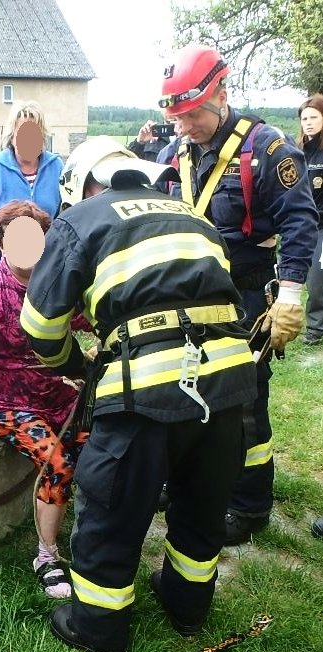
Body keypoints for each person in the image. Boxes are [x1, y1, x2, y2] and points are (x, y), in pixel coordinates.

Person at [20, 135, 258, 652]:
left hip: (144, 390)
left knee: (111, 506)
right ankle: (186, 604)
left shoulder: (80, 219)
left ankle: (98, 630)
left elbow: (38, 325)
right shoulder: (192, 216)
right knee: (203, 499)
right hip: (228, 383)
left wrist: (74, 366)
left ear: (80, 184)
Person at [158, 44, 317, 545]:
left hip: (246, 301)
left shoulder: (269, 151)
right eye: (176, 117)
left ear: (222, 95)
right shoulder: (178, 152)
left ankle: (249, 505)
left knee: (244, 403)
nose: (183, 127)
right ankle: (190, 478)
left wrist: (290, 294)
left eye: (191, 115)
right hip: (187, 299)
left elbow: (301, 221)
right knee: (184, 391)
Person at [0, 199, 91, 598]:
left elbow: (90, 317)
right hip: (8, 402)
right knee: (58, 462)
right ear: (2, 242)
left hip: (58, 393)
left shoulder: (56, 284)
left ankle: (93, 535)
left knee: (99, 444)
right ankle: (47, 556)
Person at [0, 100, 63, 270]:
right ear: (11, 135)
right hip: (3, 266)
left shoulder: (56, 167)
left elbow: (66, 214)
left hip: (46, 266)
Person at [297, 94, 323, 346]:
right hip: (304, 224)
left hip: (322, 225)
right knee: (303, 276)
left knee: (317, 279)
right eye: (305, 118)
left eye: (314, 117)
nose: (308, 122)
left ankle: (315, 327)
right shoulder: (299, 152)